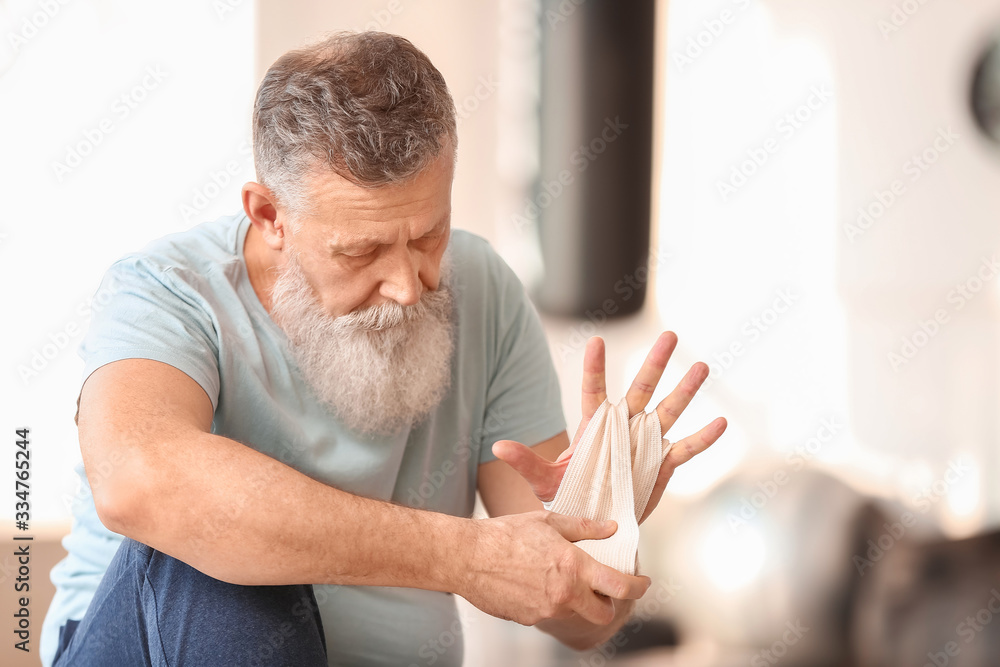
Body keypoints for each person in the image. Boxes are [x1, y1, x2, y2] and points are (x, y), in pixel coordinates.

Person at [40, 30, 726, 666]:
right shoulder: (166, 289)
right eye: (361, 249)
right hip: (154, 641)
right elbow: (139, 482)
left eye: (428, 236)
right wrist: (461, 556)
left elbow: (583, 623)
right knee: (204, 553)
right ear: (270, 216)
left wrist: (606, 523)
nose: (406, 285)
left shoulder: (482, 286)